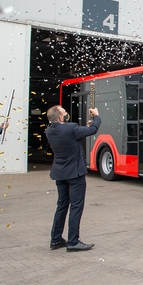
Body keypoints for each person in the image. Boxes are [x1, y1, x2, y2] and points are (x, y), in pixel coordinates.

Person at [46, 105, 100, 252]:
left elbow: (73, 134)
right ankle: (73, 241)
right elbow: (93, 130)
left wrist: (85, 128)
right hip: (75, 173)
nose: (66, 114)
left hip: (60, 173)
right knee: (76, 206)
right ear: (60, 117)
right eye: (64, 112)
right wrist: (96, 116)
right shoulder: (71, 128)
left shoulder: (49, 131)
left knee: (62, 206)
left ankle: (56, 239)